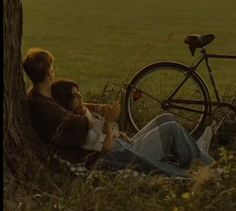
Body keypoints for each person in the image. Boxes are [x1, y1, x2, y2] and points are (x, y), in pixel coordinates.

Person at [23, 48, 214, 177]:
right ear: (49, 72)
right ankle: (210, 168)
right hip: (110, 155)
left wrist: (95, 108)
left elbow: (72, 105)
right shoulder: (48, 111)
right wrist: (108, 120)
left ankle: (194, 151)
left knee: (167, 117)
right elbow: (93, 134)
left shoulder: (39, 95)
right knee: (170, 129)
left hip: (115, 145)